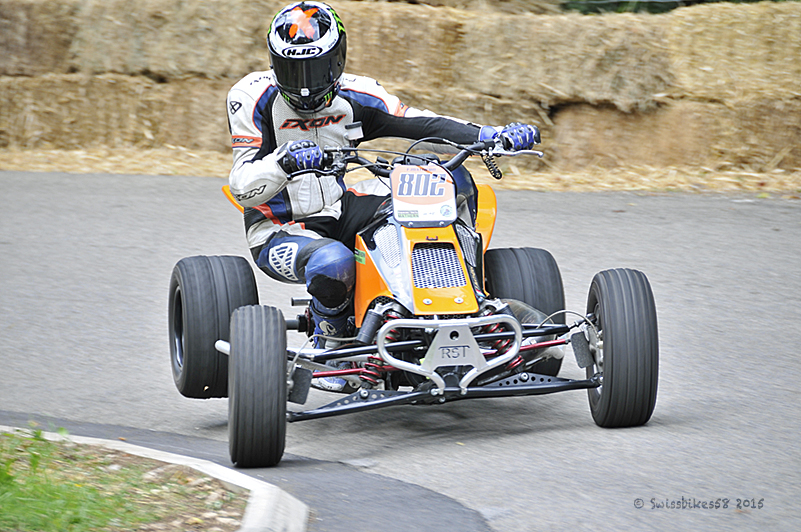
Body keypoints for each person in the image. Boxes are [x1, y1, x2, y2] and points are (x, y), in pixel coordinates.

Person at [226, 1, 539, 389]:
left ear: (337, 60)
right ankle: (333, 343)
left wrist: (489, 135)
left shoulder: (360, 94)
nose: (305, 82)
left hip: (343, 208)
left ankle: (467, 301)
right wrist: (283, 163)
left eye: (315, 68)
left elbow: (422, 121)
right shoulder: (250, 98)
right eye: (293, 69)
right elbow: (241, 186)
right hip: (280, 226)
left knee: (447, 178)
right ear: (274, 63)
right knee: (332, 261)